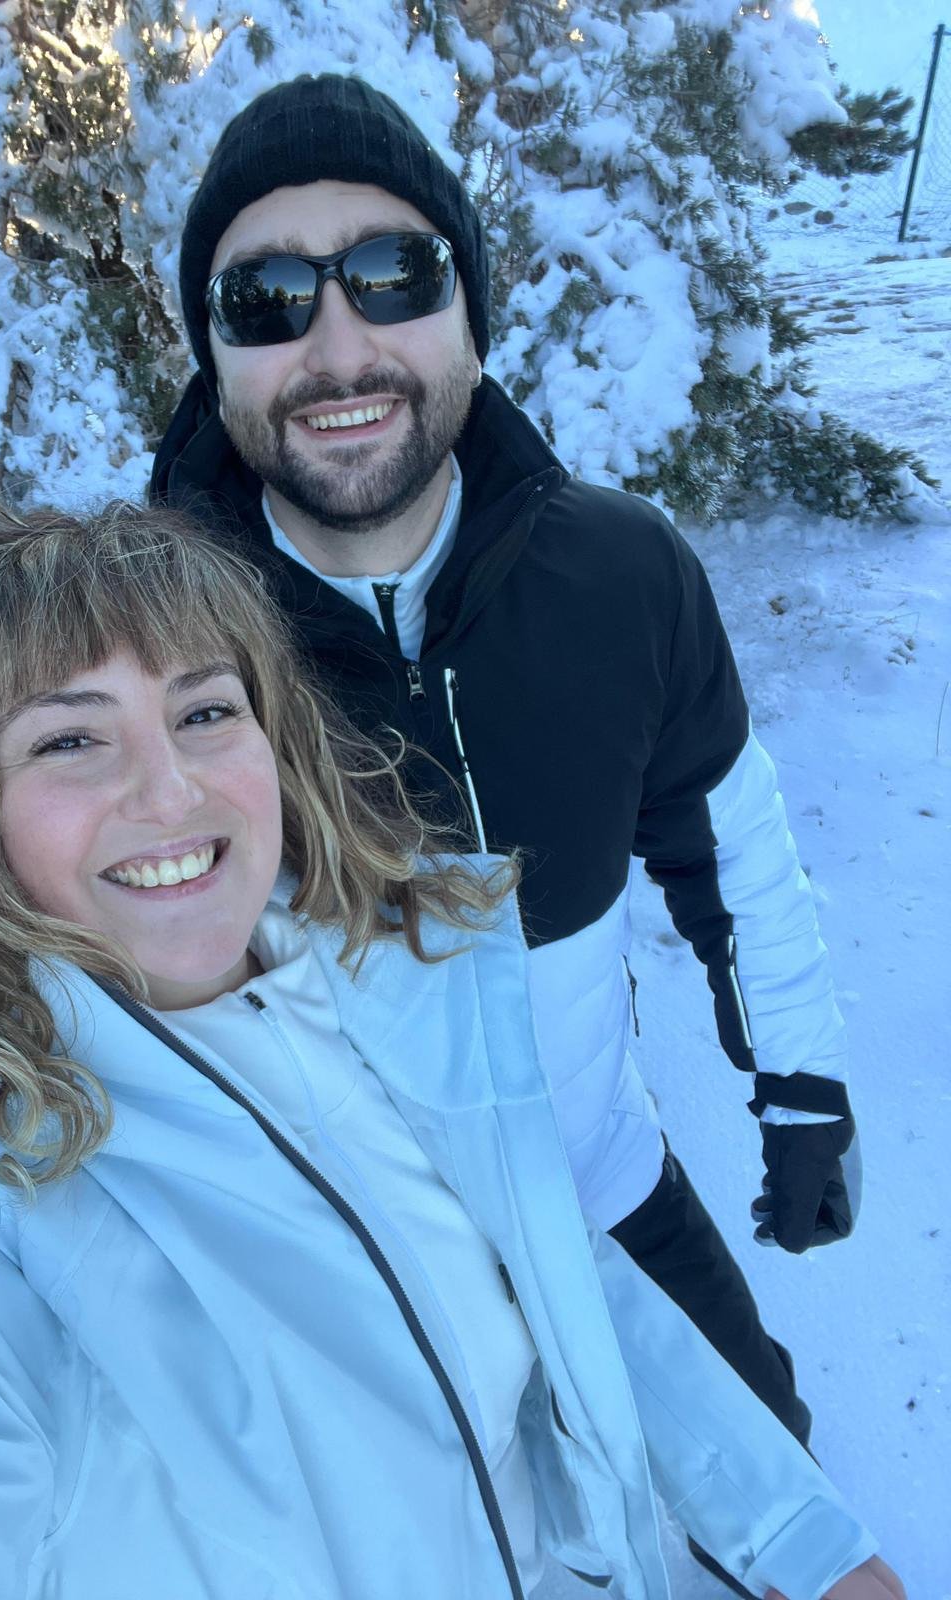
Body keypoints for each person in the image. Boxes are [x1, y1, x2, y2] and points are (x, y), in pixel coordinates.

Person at [0, 504, 900, 1600]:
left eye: (205, 711)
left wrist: (801, 1538)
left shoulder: (393, 991)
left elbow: (554, 1272)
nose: (170, 787)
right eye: (69, 737)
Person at [149, 70, 857, 1502]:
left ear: (471, 308)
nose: (339, 347)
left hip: (603, 1191)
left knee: (772, 1494)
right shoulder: (147, 657)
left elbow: (730, 851)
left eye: (394, 276)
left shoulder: (622, 574)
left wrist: (802, 1084)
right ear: (212, 361)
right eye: (267, 299)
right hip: (351, 1274)